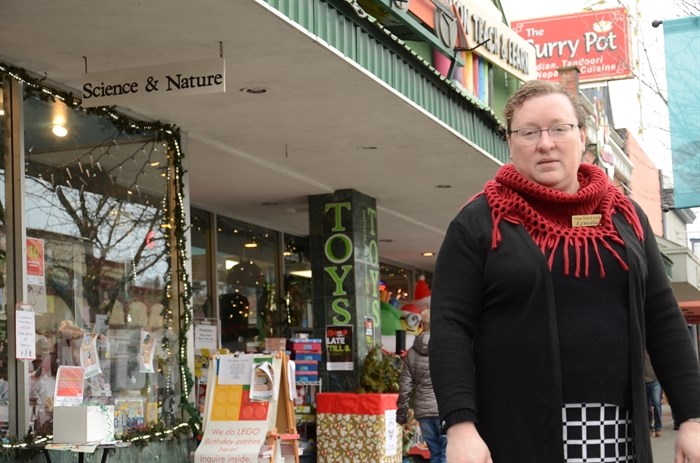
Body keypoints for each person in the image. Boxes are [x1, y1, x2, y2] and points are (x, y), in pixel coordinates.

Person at [429, 79, 700, 463]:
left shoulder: (625, 217)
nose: (545, 143)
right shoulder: (480, 222)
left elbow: (663, 318)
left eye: (559, 128)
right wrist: (460, 426)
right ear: (509, 141)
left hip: (618, 435)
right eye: (529, 132)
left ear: (583, 135)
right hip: (516, 435)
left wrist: (692, 417)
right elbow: (450, 327)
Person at [397, 309, 446, 463]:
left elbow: (404, 385)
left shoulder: (412, 352)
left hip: (423, 411)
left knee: (435, 452)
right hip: (443, 408)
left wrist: (402, 413)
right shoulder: (445, 348)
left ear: (422, 325)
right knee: (447, 452)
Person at [644, 351, 663, 437]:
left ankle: (658, 427)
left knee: (656, 403)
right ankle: (649, 427)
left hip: (655, 381)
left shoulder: (654, 349)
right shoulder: (640, 350)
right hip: (644, 383)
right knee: (647, 407)